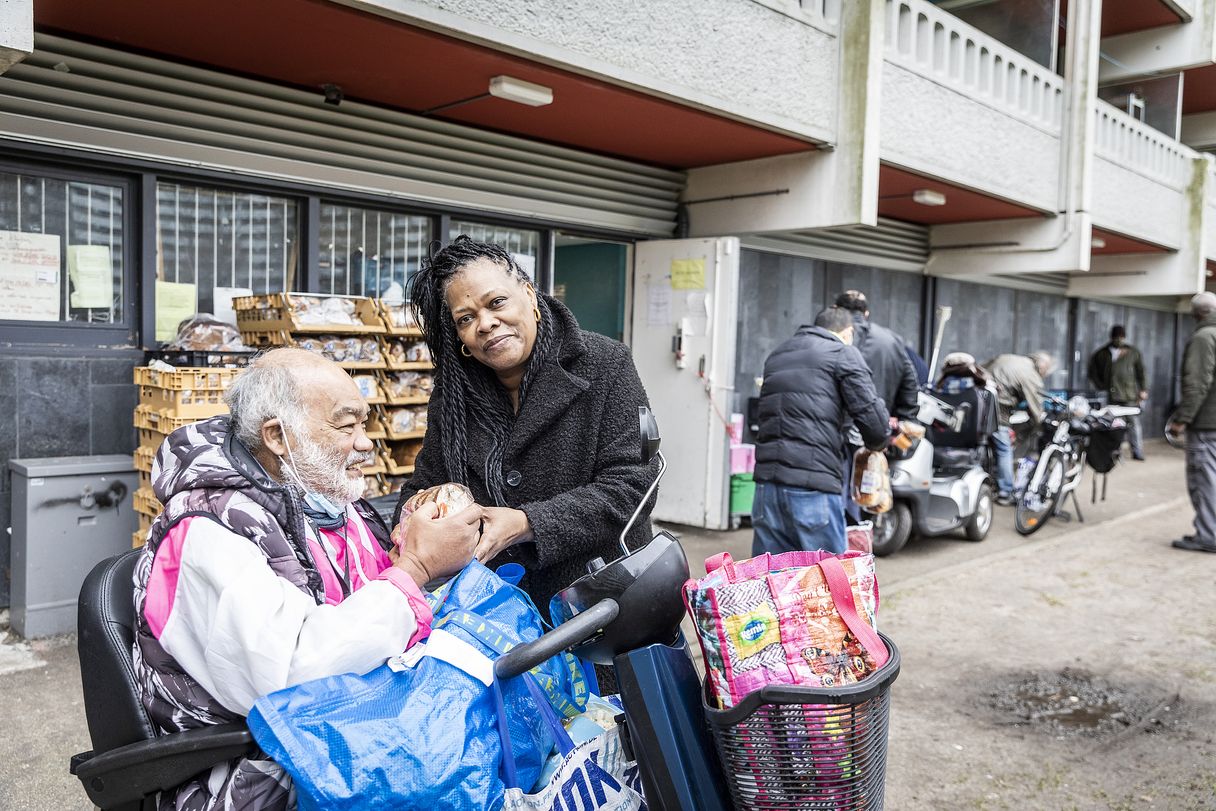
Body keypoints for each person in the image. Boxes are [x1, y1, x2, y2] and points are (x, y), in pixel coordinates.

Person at [131, 348, 481, 809]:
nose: (365, 443)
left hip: (342, 734)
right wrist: (415, 567)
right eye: (346, 425)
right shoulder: (206, 531)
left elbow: (374, 598)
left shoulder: (325, 498)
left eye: (364, 423)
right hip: (249, 775)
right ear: (278, 436)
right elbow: (295, 675)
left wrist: (418, 548)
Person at [398, 235, 658, 615]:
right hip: (496, 616)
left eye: (496, 302)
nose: (485, 324)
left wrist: (527, 522)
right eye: (466, 319)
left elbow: (633, 486)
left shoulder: (605, 363)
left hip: (600, 606)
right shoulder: (454, 393)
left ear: (529, 295)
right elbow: (425, 483)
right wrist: (416, 516)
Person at [751, 305, 889, 555]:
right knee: (828, 581)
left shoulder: (777, 355)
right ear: (848, 332)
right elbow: (875, 425)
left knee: (771, 584)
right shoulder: (843, 353)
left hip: (766, 489)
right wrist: (877, 444)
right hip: (813, 488)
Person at [1169, 292, 1216, 553]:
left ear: (1197, 314)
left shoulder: (1204, 337)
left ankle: (1209, 535)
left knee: (1204, 479)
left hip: (1208, 423)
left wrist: (1182, 419)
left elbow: (1197, 383)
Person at [834, 290, 920, 420]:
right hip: (877, 427)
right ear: (866, 313)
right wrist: (905, 418)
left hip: (835, 428)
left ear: (836, 310)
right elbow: (910, 383)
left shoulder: (831, 337)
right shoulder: (892, 340)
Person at [984, 351, 1053, 505]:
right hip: (997, 409)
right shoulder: (1031, 375)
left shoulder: (1012, 358)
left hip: (979, 399)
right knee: (1004, 448)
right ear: (1042, 368)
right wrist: (1041, 424)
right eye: (1046, 371)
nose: (1045, 374)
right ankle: (1005, 492)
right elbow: (1036, 409)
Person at [1088, 325, 1148, 460]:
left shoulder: (1133, 352)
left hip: (1128, 394)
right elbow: (1093, 372)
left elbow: (1141, 372)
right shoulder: (1102, 353)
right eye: (1117, 337)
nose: (1119, 340)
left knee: (1133, 423)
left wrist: (1143, 389)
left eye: (1121, 337)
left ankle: (1137, 451)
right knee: (1112, 424)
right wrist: (1101, 386)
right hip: (1110, 395)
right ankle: (1114, 452)